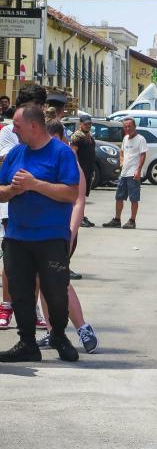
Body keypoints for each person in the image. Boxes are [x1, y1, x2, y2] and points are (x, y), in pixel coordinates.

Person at [0, 104, 80, 362]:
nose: (13, 129)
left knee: (56, 292)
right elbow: (0, 190)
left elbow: (70, 193)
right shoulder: (15, 154)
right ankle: (27, 343)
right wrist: (13, 190)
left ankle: (58, 335)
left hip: (51, 236)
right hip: (17, 236)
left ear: (33, 126)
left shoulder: (61, 153)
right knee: (20, 292)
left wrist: (35, 185)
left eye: (17, 125)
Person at [37, 120, 98, 353]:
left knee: (59, 282)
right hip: (41, 231)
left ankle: (83, 329)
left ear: (61, 138)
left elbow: (78, 201)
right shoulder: (41, 158)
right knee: (41, 281)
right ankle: (52, 332)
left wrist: (70, 234)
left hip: (62, 233)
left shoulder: (69, 161)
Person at [0, 85, 49, 332]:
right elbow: (9, 165)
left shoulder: (44, 133)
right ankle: (6, 304)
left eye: (42, 106)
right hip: (12, 208)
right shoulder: (10, 132)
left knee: (38, 265)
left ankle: (32, 309)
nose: (41, 110)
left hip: (40, 209)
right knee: (12, 264)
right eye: (37, 106)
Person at [103, 117, 147, 230]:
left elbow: (143, 155)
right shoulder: (125, 138)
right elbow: (122, 151)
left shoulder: (140, 139)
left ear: (134, 127)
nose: (127, 129)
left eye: (129, 126)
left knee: (134, 198)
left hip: (134, 174)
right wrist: (122, 162)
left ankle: (132, 221)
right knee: (119, 197)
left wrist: (138, 169)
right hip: (124, 173)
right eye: (125, 127)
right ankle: (117, 220)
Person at [70, 115, 95, 228]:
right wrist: (77, 168)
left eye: (89, 124)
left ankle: (82, 216)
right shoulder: (77, 136)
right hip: (81, 170)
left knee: (83, 195)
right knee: (79, 196)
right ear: (80, 124)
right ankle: (78, 218)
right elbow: (73, 153)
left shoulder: (88, 135)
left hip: (88, 170)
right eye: (86, 124)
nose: (88, 126)